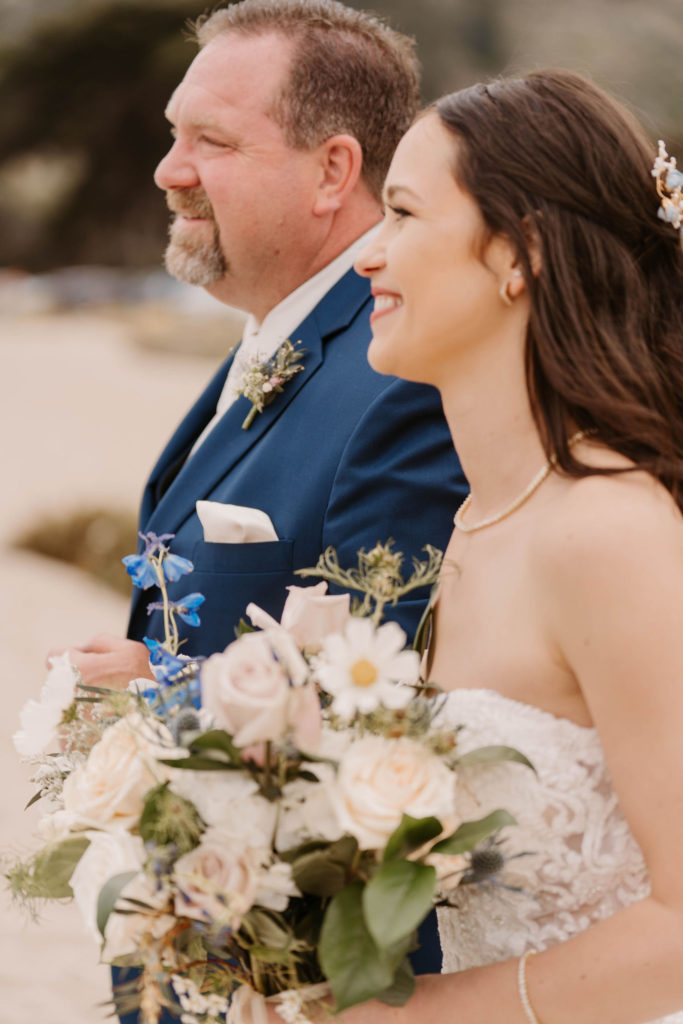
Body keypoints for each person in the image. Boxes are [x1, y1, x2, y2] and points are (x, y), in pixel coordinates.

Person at [53, 2, 466, 1018]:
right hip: (203, 945)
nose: (168, 168)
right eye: (171, 133)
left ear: (333, 171)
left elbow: (389, 684)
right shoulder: (273, 334)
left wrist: (163, 692)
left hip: (306, 970)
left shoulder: (400, 374)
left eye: (212, 142)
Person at [338, 69, 683, 1023]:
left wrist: (416, 1015)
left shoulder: (607, 534)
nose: (368, 254)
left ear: (518, 250)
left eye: (403, 213)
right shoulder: (477, 520)